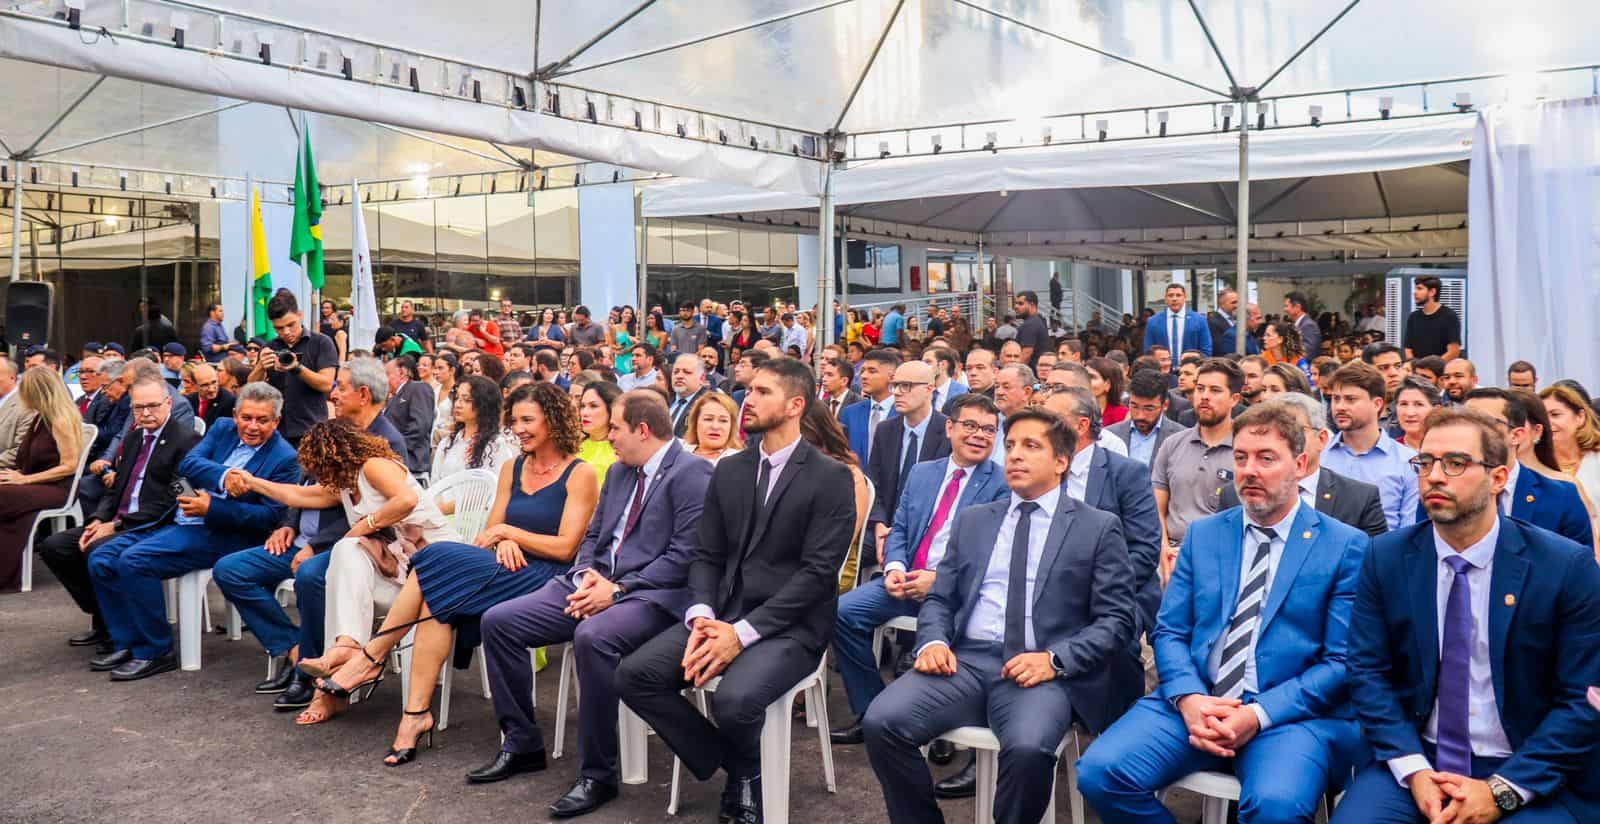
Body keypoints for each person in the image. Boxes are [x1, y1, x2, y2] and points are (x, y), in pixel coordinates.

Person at [1078, 403, 1371, 824]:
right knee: (1100, 773)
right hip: (1197, 699)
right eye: (1241, 457)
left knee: (1277, 807)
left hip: (1287, 715)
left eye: (1266, 458)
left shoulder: (1344, 546)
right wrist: (1190, 697)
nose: (1249, 471)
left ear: (1300, 464)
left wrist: (1257, 714)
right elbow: (1170, 631)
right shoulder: (1205, 534)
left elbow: (1341, 662)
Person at [864, 408, 1140, 824]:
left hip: (1040, 669)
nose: (1015, 455)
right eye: (1009, 446)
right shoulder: (975, 520)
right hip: (966, 661)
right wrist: (933, 640)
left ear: (1061, 462)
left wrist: (1055, 659)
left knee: (1029, 749)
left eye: (1030, 446)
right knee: (882, 722)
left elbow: (1117, 621)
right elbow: (941, 597)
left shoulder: (1097, 527)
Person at [615, 358, 855, 823]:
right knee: (634, 675)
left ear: (795, 405)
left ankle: (743, 778)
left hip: (791, 627)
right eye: (751, 389)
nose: (749, 399)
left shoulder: (830, 477)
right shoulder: (731, 470)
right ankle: (742, 767)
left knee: (735, 701)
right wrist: (702, 614)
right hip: (722, 612)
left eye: (764, 392)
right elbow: (706, 553)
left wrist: (741, 634)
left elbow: (817, 576)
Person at [1335, 406, 1600, 824]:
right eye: (1425, 462)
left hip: (1529, 766)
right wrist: (1414, 770)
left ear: (1498, 478)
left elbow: (1582, 700)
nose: (1435, 476)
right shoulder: (1387, 557)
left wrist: (1502, 791)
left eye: (1456, 463)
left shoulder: (1563, 566)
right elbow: (1368, 672)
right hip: (1418, 758)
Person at [308, 384, 598, 759]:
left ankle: (371, 656)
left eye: (528, 420)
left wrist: (509, 533)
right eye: (514, 421)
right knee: (436, 599)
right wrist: (502, 539)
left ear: (554, 420)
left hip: (546, 576)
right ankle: (414, 716)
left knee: (437, 558)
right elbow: (488, 534)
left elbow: (566, 548)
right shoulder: (512, 468)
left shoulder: (579, 473)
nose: (519, 429)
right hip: (503, 564)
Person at [468, 391, 712, 816]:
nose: (607, 435)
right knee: (498, 622)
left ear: (642, 430)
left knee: (593, 637)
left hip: (651, 594)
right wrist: (586, 576)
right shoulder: (619, 471)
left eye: (615, 428)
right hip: (593, 582)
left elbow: (684, 556)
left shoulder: (693, 473)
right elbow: (594, 536)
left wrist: (617, 589)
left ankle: (598, 775)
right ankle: (522, 744)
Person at [828, 394, 1008, 748]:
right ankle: (871, 709)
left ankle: (942, 726)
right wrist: (894, 567)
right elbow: (901, 528)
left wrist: (939, 581)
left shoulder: (1001, 484)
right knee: (840, 613)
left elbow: (992, 556)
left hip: (959, 593)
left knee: (959, 636)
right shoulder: (924, 472)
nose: (979, 435)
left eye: (989, 430)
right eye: (970, 426)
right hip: (906, 580)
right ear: (949, 428)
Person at [87, 383, 299, 680]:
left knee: (134, 561)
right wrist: (225, 477)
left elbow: (269, 517)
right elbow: (189, 463)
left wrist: (212, 508)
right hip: (177, 517)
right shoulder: (223, 428)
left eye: (262, 420)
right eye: (246, 418)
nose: (252, 426)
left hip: (223, 533)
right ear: (235, 415)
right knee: (101, 557)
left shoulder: (284, 457)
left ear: (276, 422)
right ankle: (127, 642)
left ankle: (154, 651)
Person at [38, 376, 200, 649]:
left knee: (97, 549)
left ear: (168, 403)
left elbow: (175, 498)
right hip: (118, 520)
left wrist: (116, 525)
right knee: (55, 546)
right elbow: (115, 490)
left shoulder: (187, 441)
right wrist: (98, 519)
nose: (145, 413)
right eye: (138, 407)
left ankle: (115, 629)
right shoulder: (135, 437)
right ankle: (107, 617)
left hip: (152, 524)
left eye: (152, 406)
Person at [1460, 388, 1593, 548]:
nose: (1471, 431)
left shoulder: (1560, 497)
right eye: (1464, 423)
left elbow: (1581, 559)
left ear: (1516, 435)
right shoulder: (1444, 488)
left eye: (1485, 423)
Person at [1152, 358, 1242, 576]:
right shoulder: (1172, 444)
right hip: (1171, 555)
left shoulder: (1245, 451)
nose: (1204, 396)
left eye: (1215, 390)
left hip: (1224, 558)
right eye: (1200, 388)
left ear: (1234, 399)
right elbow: (1157, 508)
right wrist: (1164, 550)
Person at [0, 367, 86, 591]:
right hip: (38, 481)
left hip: (58, 487)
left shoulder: (60, 420)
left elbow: (69, 466)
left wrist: (25, 480)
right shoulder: (39, 416)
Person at [1322, 362, 1419, 532]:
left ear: (1377, 404)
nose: (1340, 407)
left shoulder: (1407, 462)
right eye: (1336, 399)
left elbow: (1408, 531)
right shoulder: (1319, 455)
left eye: (1351, 399)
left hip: (1383, 547)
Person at [866, 361, 952, 553]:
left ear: (929, 389)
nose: (897, 392)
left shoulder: (948, 431)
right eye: (895, 385)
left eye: (906, 386)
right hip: (884, 524)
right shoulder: (885, 430)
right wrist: (879, 524)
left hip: (928, 531)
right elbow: (874, 484)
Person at [249, 290, 338, 447]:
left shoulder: (321, 343)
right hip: (276, 432)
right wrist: (261, 367)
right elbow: (251, 389)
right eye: (279, 328)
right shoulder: (270, 347)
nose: (286, 332)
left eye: (291, 325)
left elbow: (326, 384)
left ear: (299, 315)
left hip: (312, 432)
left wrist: (297, 367)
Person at [431, 375, 514, 486]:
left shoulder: (496, 446)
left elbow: (497, 487)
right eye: (457, 398)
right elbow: (435, 484)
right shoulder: (447, 443)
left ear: (483, 404)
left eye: (467, 400)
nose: (458, 405)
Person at [839, 349, 900, 466]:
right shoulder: (850, 413)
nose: (863, 376)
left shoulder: (904, 413)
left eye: (872, 371)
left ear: (892, 377)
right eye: (862, 371)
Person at [382, 356, 436, 476]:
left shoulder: (418, 388)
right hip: (391, 462)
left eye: (387, 374)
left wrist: (394, 449)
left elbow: (419, 427)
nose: (384, 380)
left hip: (411, 463)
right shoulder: (391, 400)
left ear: (401, 373)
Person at [1110, 369, 1174, 467]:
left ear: (1165, 405)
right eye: (1134, 406)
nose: (1140, 415)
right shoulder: (1110, 435)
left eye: (1148, 409)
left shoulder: (1181, 439)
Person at [1401, 275, 1461, 361]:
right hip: (1416, 367)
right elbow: (1408, 349)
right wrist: (1414, 365)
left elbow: (1453, 352)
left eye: (1419, 289)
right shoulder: (1413, 317)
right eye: (1415, 289)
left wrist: (1432, 366)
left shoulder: (1449, 316)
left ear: (1432, 292)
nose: (1415, 292)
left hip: (1440, 368)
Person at [1144, 283, 1213, 356]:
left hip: (1191, 363)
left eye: (1178, 295)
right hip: (1161, 363)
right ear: (1165, 298)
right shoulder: (1153, 321)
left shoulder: (1199, 320)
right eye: (1170, 295)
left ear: (1185, 297)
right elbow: (1148, 351)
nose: (1174, 299)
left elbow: (1206, 350)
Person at [576, 380, 621, 486]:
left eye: (593, 406)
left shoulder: (622, 450)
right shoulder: (573, 445)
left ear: (611, 409)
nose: (584, 413)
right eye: (582, 406)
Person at [682, 391, 743, 464]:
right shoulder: (680, 452)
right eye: (708, 419)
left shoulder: (739, 461)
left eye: (723, 421)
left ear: (732, 426)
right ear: (695, 422)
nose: (715, 427)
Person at [667, 354, 712, 438]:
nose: (679, 376)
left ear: (702, 378)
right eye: (676, 372)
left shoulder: (708, 403)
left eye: (687, 372)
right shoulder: (663, 400)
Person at [1393, 377, 1442, 451]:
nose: (1410, 413)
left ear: (1436, 410)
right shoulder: (1389, 451)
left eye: (1419, 404)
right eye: (1403, 404)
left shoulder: (1451, 448)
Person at [184, 363, 236, 429]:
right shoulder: (188, 401)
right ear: (194, 385)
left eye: (214, 382)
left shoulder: (229, 402)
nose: (211, 389)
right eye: (205, 385)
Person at [1011, 290, 1051, 369]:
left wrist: (1015, 371)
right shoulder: (1038, 320)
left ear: (1032, 305)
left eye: (1020, 303)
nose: (1016, 307)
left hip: (1031, 372)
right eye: (1015, 303)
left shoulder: (1030, 324)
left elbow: (1026, 354)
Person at [1087, 356, 1128, 425]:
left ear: (1108, 384)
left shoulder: (1123, 415)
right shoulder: (1074, 409)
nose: (1085, 380)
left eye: (1092, 377)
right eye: (1084, 375)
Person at [1283, 291, 1321, 362]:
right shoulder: (1297, 325)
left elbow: (1308, 354)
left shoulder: (1309, 326)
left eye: (1286, 306)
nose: (1284, 309)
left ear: (1297, 307)